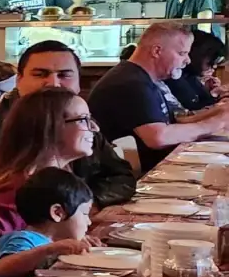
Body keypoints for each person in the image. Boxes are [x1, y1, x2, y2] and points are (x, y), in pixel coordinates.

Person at [0, 40, 136, 208]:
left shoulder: (81, 121)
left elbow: (122, 177)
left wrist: (89, 204)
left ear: (79, 83)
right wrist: (70, 211)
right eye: (40, 74)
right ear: (18, 80)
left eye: (64, 75)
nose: (53, 83)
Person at [0, 87, 94, 257]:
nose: (94, 128)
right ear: (50, 127)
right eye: (83, 120)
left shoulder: (57, 178)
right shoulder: (12, 191)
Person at [86, 22, 229, 173]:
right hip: (133, 176)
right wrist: (215, 123)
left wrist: (221, 112)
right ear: (156, 51)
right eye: (182, 53)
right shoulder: (130, 83)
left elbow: (176, 120)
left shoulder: (143, 77)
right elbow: (158, 138)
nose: (187, 60)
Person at [0, 168, 96, 277]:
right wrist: (49, 250)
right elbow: (1, 269)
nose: (89, 222)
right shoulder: (25, 239)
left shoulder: (53, 242)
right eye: (85, 213)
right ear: (57, 213)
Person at [169, 28, 225, 111]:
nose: (214, 67)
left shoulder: (189, 75)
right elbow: (193, 109)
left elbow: (203, 102)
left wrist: (211, 91)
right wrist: (214, 94)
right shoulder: (175, 76)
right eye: (211, 63)